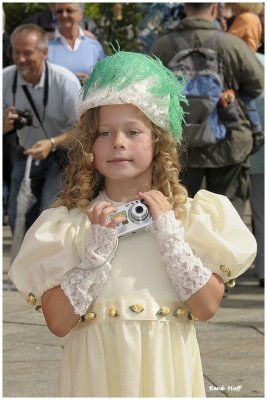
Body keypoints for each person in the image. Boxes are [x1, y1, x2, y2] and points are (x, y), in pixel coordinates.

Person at [9, 51, 257, 397]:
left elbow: (206, 307)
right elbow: (59, 324)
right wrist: (94, 257)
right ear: (89, 145)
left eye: (133, 131)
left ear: (158, 141)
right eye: (105, 133)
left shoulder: (190, 217)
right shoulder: (70, 226)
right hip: (96, 378)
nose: (119, 143)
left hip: (165, 377)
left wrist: (170, 237)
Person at [149, 3, 264, 218]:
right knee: (227, 219)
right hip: (228, 144)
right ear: (214, 10)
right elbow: (257, 84)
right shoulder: (233, 45)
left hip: (180, 148)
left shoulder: (162, 47)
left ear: (185, 8)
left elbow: (150, 92)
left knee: (182, 217)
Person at [3, 23, 81, 235]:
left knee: (49, 213)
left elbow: (82, 129)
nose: (20, 59)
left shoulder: (65, 81)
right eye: (16, 52)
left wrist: (53, 142)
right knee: (17, 214)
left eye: (27, 53)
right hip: (26, 153)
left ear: (45, 52)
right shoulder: (4, 79)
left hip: (61, 155)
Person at [48, 3, 105, 84]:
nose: (64, 15)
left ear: (81, 14)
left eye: (69, 11)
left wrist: (91, 83)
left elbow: (105, 81)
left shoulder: (94, 46)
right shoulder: (46, 46)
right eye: (59, 11)